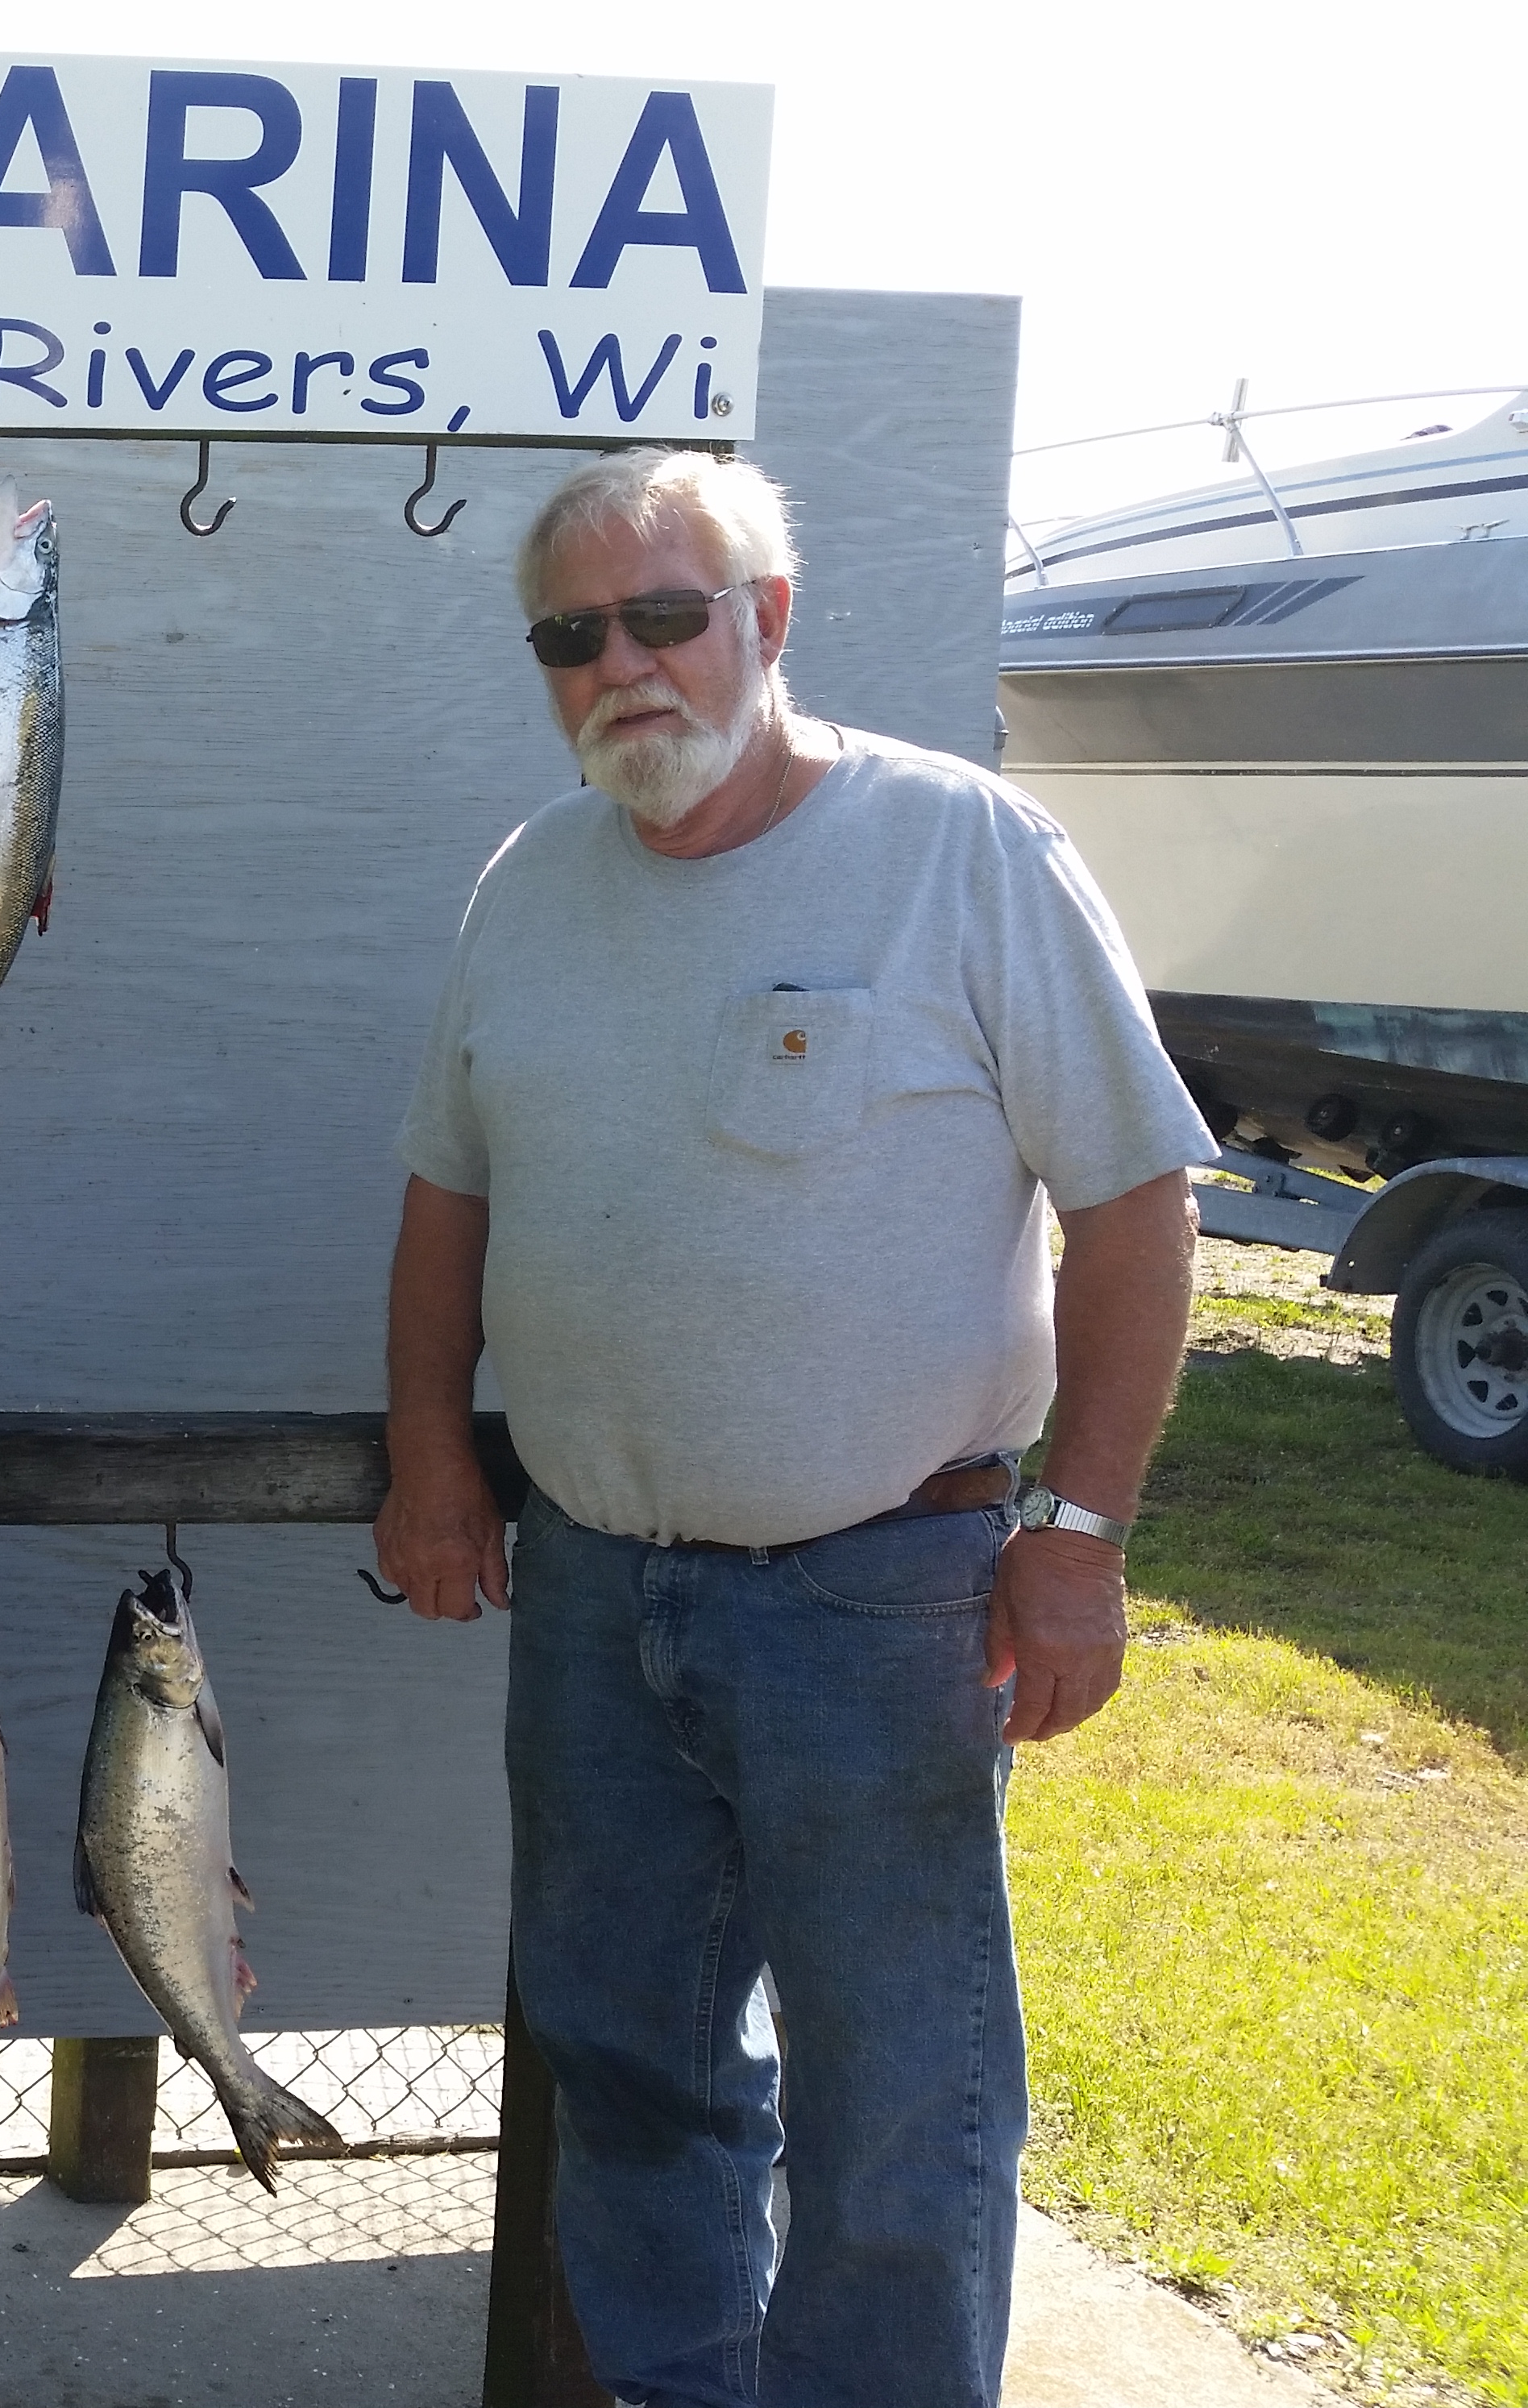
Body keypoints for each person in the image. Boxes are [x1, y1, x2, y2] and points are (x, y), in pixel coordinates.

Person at [371, 449, 1203, 2408]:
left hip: (881, 1595)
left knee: (897, 2107)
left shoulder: (961, 848)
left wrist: (1077, 1534)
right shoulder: (529, 882)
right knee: (626, 2064)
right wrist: (430, 1445)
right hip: (591, 1587)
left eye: (666, 614)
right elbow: (444, 1199)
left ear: (769, 617)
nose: (621, 667)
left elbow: (1136, 1203)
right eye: (572, 637)